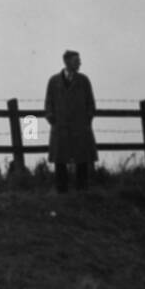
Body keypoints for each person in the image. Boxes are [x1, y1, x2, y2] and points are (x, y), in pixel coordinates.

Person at [44, 49, 97, 192]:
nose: (79, 63)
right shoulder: (54, 81)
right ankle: (61, 192)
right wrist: (52, 118)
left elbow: (91, 104)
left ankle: (82, 191)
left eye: (79, 60)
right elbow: (48, 103)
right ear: (66, 62)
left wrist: (87, 120)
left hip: (80, 127)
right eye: (76, 60)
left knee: (82, 159)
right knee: (60, 160)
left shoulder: (84, 80)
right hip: (60, 127)